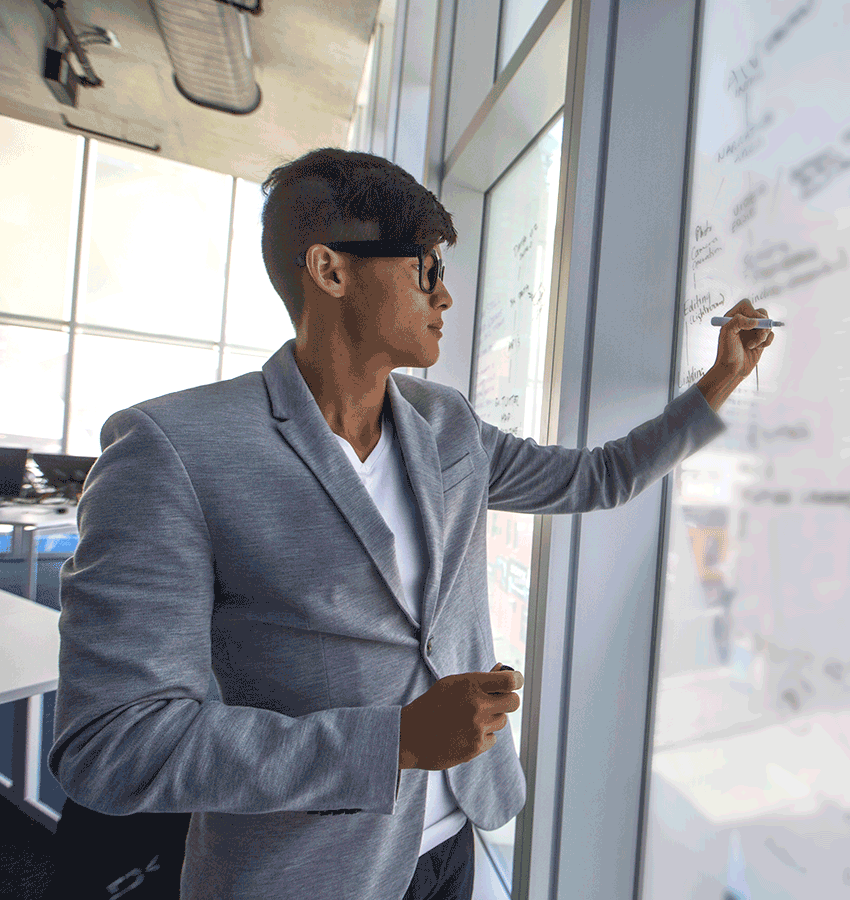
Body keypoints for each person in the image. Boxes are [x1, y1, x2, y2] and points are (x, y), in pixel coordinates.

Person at [48, 147, 776, 900]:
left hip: (455, 833)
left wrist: (721, 380)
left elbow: (600, 476)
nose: (446, 296)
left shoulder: (445, 422)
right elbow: (115, 742)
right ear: (330, 271)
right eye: (426, 268)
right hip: (307, 874)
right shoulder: (173, 449)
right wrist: (392, 743)